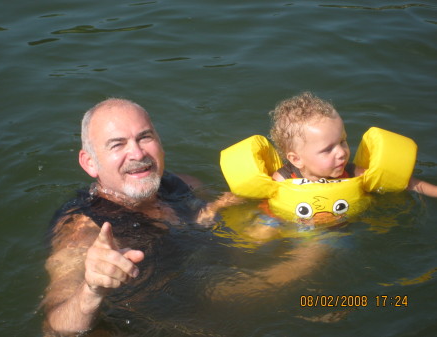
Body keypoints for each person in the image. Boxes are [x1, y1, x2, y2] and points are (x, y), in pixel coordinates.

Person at [41, 98, 240, 336]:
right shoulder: (84, 229)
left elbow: (216, 227)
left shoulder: (184, 186)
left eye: (145, 137)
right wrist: (92, 290)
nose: (137, 152)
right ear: (90, 163)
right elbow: (56, 327)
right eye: (117, 145)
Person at [269, 92, 437, 197]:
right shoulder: (283, 178)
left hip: (333, 231)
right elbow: (259, 197)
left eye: (342, 141)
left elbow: (407, 183)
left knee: (317, 247)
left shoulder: (351, 173)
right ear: (296, 159)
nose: (342, 152)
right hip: (287, 220)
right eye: (328, 149)